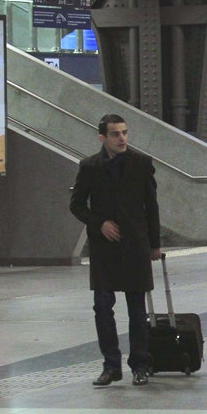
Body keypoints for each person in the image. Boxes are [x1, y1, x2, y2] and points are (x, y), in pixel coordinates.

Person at [70, 113, 162, 386]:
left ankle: (140, 364)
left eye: (124, 132)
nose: (121, 138)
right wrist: (100, 224)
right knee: (102, 307)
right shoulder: (90, 167)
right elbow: (76, 205)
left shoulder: (141, 164)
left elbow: (151, 206)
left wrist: (154, 244)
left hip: (135, 244)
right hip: (104, 248)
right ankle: (111, 365)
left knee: (136, 309)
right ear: (102, 137)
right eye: (115, 134)